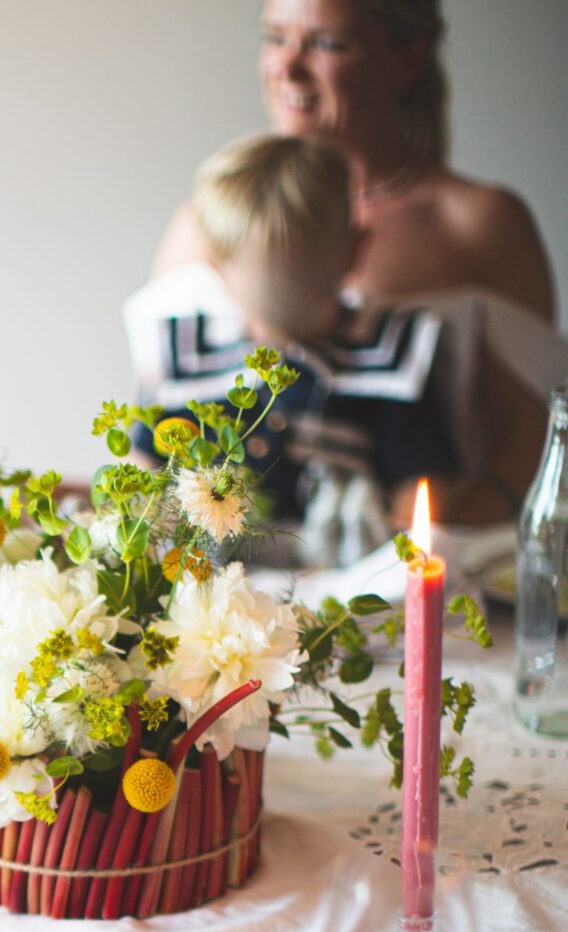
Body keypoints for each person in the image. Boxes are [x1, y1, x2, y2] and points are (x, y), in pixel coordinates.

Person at [147, 0, 561, 525]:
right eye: (274, 37)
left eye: (326, 43)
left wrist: (407, 560)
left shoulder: (479, 224)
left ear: (407, 55)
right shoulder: (208, 216)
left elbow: (535, 437)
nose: (286, 67)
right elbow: (160, 418)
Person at [128, 135, 460, 565]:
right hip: (212, 582)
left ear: (355, 251)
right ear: (216, 270)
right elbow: (146, 463)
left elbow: (421, 483)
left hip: (339, 581)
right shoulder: (189, 353)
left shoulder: (387, 356)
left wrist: (394, 541)